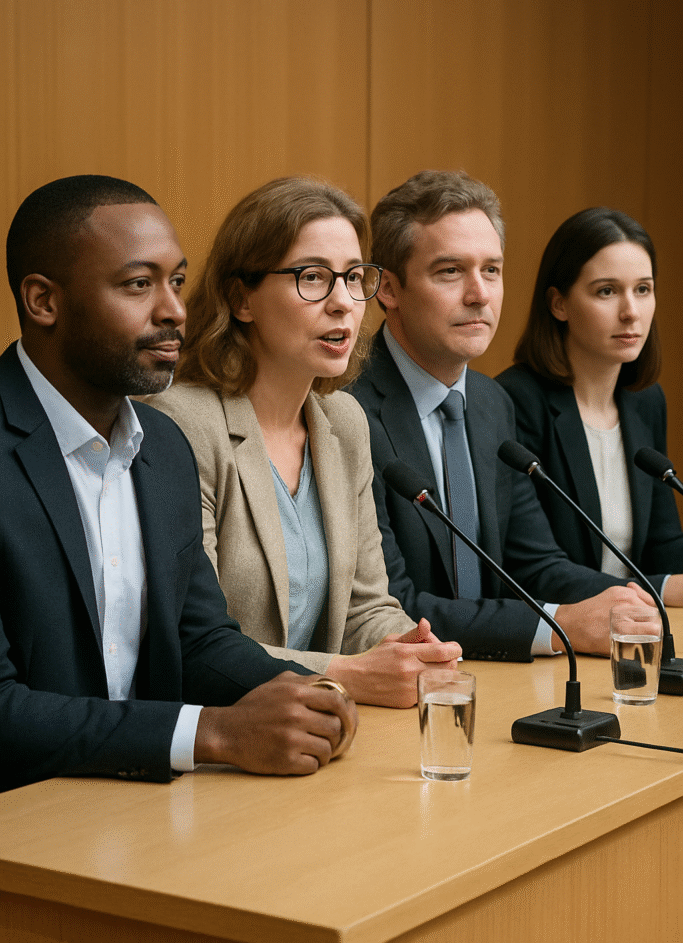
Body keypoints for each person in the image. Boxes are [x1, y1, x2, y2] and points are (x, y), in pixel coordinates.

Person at [1, 174, 358, 794]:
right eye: (139, 285)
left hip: (138, 816)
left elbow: (198, 639)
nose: (174, 311)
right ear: (43, 301)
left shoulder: (162, 446)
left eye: (177, 281)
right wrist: (212, 735)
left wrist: (305, 695)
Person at [149, 176, 461, 707]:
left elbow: (366, 606)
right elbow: (195, 642)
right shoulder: (179, 423)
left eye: (354, 278)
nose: (344, 304)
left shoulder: (343, 422)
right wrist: (350, 674)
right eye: (313, 277)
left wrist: (409, 647)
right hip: (220, 737)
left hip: (315, 727)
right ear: (240, 297)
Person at [349, 170, 654, 662]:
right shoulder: (349, 413)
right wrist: (556, 628)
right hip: (403, 682)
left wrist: (637, 602)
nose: (480, 294)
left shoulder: (492, 403)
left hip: (491, 678)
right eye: (450, 271)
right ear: (388, 289)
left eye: (491, 270)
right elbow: (392, 605)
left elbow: (535, 563)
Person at [496, 206, 683, 603]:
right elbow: (535, 569)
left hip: (635, 628)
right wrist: (660, 589)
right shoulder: (515, 401)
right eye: (607, 291)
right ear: (558, 303)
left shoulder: (644, 401)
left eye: (643, 289)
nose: (631, 311)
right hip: (562, 635)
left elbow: (665, 548)